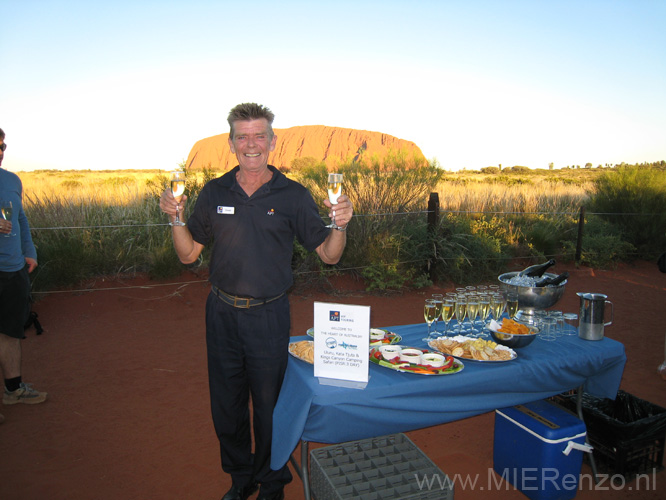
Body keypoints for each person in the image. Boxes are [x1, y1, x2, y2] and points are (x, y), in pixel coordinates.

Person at [160, 103, 353, 500]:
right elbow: (188, 254)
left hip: (269, 314)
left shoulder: (292, 195)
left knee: (268, 405)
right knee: (227, 405)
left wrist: (340, 225)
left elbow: (329, 255)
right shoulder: (215, 191)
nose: (252, 144)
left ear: (273, 141)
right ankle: (240, 477)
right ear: (231, 143)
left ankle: (272, 480)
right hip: (222, 313)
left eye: (259, 135)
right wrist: (176, 219)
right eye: (242, 136)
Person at [0, 128, 46, 426]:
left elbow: (20, 218)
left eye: (2, 144)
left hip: (13, 269)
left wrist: (29, 251)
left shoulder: (12, 180)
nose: (1, 150)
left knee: (11, 331)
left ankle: (13, 389)